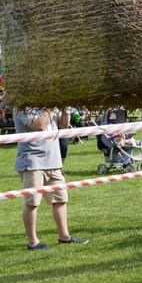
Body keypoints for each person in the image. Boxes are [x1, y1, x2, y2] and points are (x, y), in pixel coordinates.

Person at [13, 106, 89, 250]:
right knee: (32, 202)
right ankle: (32, 242)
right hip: (33, 162)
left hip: (53, 162)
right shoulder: (22, 107)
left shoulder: (47, 106)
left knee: (60, 199)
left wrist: (65, 109)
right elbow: (40, 125)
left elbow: (64, 124)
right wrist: (50, 108)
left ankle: (64, 236)